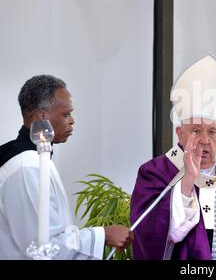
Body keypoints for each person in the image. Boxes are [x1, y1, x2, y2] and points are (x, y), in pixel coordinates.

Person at [130, 55, 216, 259]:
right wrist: (187, 183)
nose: (204, 140)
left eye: (212, 132)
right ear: (180, 134)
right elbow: (149, 236)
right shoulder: (154, 173)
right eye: (196, 131)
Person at [0, 75, 133, 259]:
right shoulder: (26, 167)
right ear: (42, 116)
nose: (72, 120)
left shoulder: (36, 159)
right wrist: (104, 234)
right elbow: (42, 247)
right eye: (66, 114)